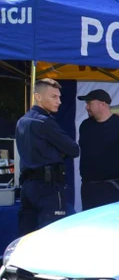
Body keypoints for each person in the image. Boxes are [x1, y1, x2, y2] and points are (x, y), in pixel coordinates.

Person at [16, 79, 80, 235]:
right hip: (48, 188)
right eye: (53, 96)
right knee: (51, 235)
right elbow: (73, 149)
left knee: (27, 236)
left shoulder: (22, 121)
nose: (59, 101)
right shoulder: (44, 122)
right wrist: (59, 151)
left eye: (59, 97)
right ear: (38, 97)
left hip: (28, 187)